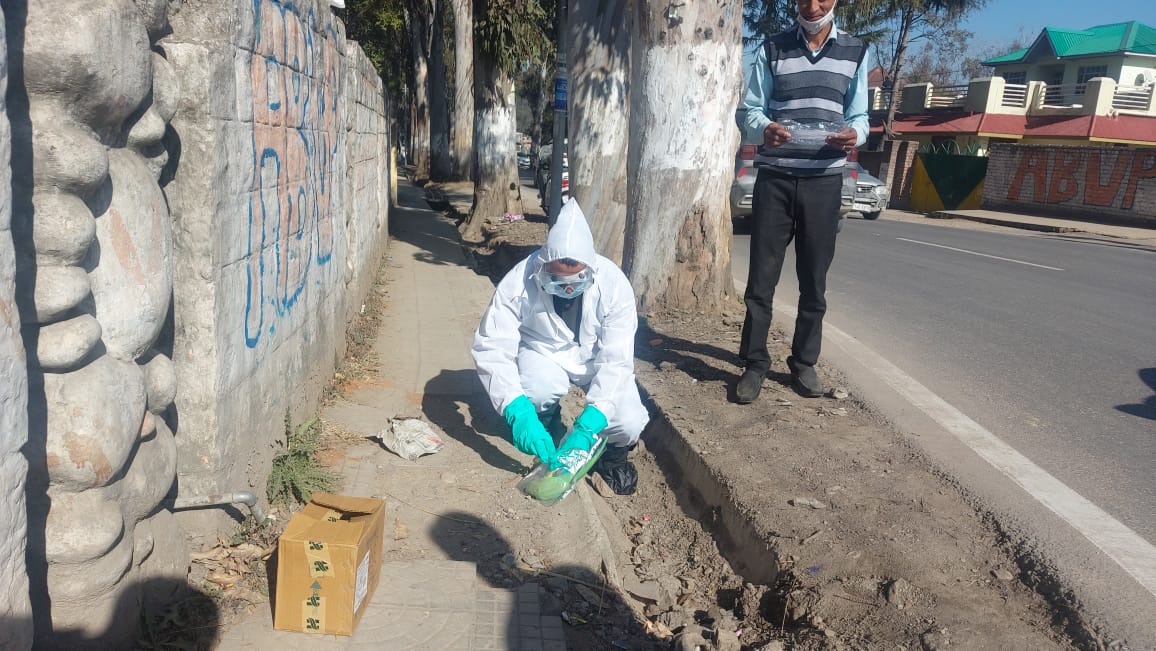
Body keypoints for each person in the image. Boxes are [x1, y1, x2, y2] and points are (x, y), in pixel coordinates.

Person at [735, 0, 870, 403]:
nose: (813, 6)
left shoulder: (856, 52)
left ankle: (804, 363)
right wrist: (765, 130)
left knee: (814, 280)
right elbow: (750, 111)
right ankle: (754, 364)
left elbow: (860, 115)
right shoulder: (772, 48)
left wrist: (855, 136)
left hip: (824, 182)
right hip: (775, 179)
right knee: (761, 279)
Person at [472, 198, 649, 495]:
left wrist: (589, 424)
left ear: (590, 268)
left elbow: (616, 362)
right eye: (558, 279)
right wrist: (517, 411)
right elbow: (492, 345)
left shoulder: (615, 285)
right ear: (543, 264)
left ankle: (612, 456)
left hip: (595, 360)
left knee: (629, 419)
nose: (568, 289)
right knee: (536, 388)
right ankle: (546, 427)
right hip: (545, 351)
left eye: (576, 280)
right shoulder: (519, 279)